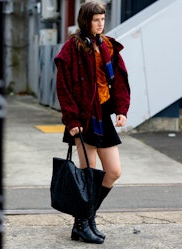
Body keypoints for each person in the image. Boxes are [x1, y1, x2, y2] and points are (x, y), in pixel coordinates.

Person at [54, 0, 131, 244]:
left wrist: (121, 109)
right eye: (95, 19)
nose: (100, 23)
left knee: (114, 171)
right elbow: (63, 87)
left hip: (102, 118)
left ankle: (86, 218)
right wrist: (72, 119)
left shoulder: (107, 46)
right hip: (83, 120)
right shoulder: (72, 48)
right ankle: (83, 225)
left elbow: (119, 80)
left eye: (102, 19)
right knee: (89, 175)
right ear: (85, 21)